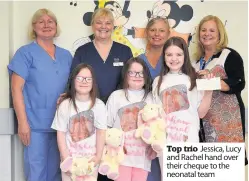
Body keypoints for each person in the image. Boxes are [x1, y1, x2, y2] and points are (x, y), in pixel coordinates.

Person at [8, 8, 72, 181]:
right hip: (35, 125)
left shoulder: (66, 56)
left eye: (50, 21)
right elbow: (16, 89)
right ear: (34, 27)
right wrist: (22, 123)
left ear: (56, 26)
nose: (46, 25)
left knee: (59, 171)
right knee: (37, 173)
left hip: (61, 125)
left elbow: (74, 87)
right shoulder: (25, 53)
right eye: (41, 22)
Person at [152, 37, 214, 180]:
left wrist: (209, 91)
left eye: (178, 54)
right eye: (169, 54)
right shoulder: (158, 82)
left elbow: (201, 112)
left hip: (189, 140)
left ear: (185, 56)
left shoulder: (193, 78)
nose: (174, 59)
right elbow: (155, 115)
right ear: (164, 56)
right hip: (166, 143)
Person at [193, 15, 247, 164]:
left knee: (228, 166)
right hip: (205, 122)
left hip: (228, 122)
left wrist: (211, 81)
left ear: (219, 34)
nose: (207, 33)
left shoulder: (229, 55)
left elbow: (239, 83)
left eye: (212, 30)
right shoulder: (196, 62)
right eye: (203, 30)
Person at [52, 63, 107, 181]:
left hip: (90, 161)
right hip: (71, 161)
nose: (84, 81)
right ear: (73, 80)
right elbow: (60, 133)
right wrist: (65, 158)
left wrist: (98, 156)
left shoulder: (99, 106)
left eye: (88, 79)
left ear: (93, 82)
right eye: (80, 78)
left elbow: (101, 133)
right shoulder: (65, 105)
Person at [106, 57, 157, 181]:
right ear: (125, 75)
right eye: (132, 72)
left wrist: (154, 147)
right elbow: (107, 126)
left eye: (141, 73)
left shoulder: (151, 97)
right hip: (120, 157)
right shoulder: (116, 96)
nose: (137, 76)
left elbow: (157, 127)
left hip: (142, 159)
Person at [70, 8, 133, 104]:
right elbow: (73, 80)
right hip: (88, 106)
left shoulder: (125, 51)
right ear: (92, 25)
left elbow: (131, 80)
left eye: (108, 23)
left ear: (113, 26)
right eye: (99, 22)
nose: (103, 26)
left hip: (119, 105)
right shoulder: (82, 52)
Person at [138, 17, 170, 181]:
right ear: (146, 33)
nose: (157, 34)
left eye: (161, 30)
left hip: (170, 124)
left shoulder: (174, 61)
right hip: (145, 123)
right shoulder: (138, 61)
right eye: (153, 30)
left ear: (168, 34)